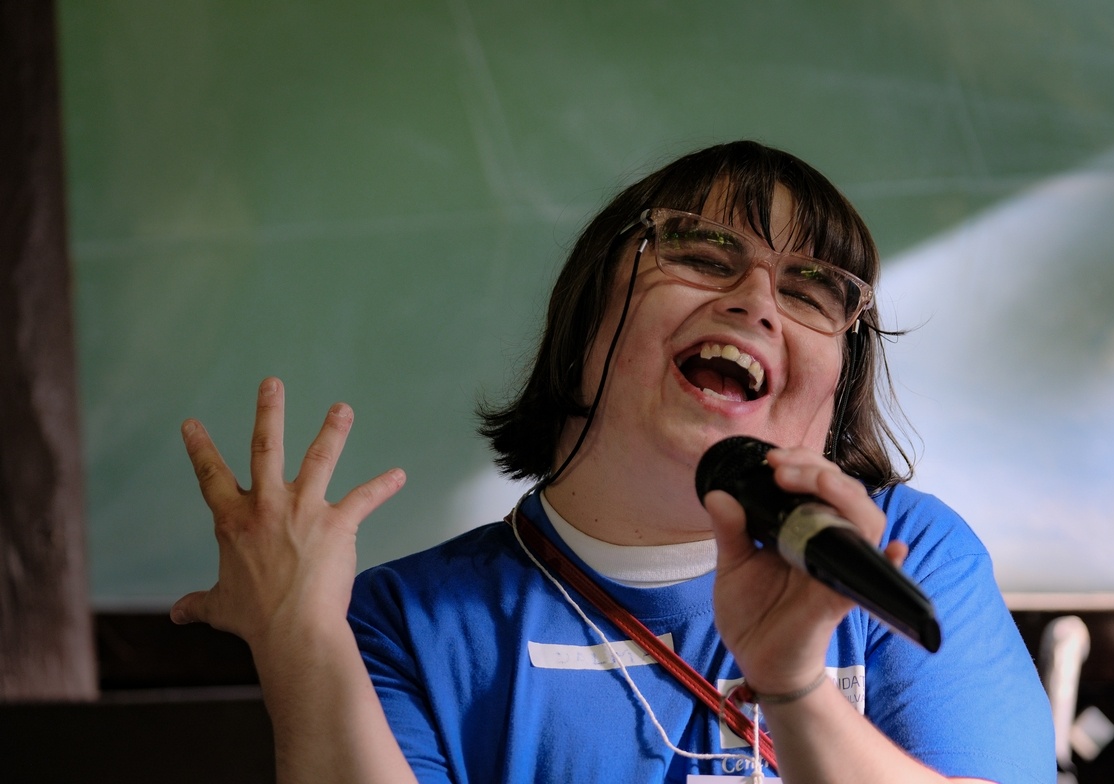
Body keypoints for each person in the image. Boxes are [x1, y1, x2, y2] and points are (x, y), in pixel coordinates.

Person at [172, 141, 1056, 783]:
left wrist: (794, 688)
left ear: (836, 389)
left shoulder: (903, 557)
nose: (757, 302)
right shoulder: (409, 623)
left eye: (809, 291)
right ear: (586, 322)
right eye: (704, 255)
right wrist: (299, 642)